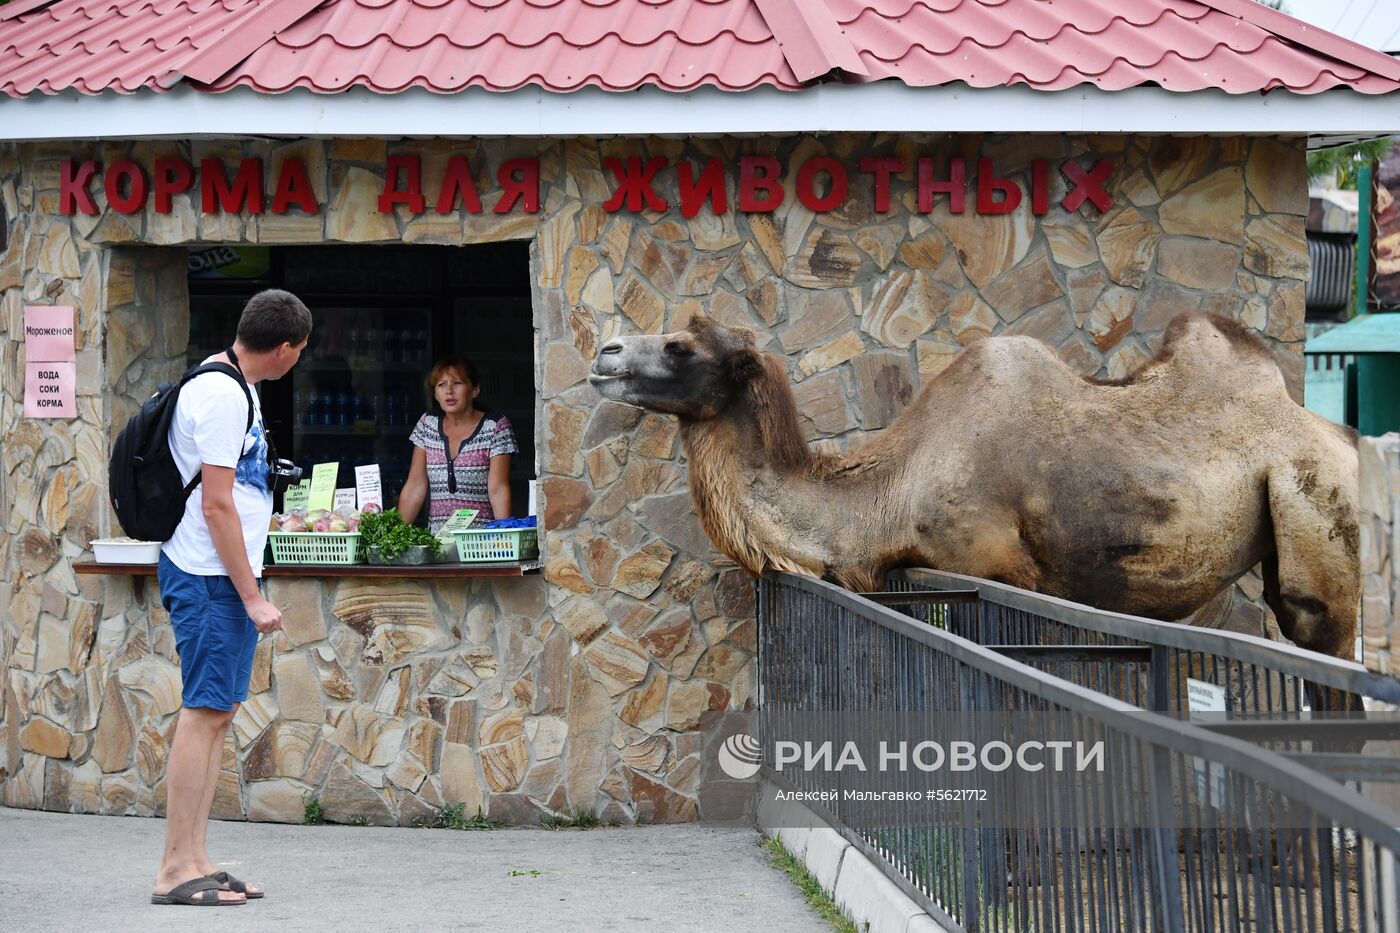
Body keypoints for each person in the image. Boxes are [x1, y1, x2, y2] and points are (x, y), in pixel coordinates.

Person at [152, 289, 311, 906]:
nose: (297, 360)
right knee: (203, 713)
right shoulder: (221, 394)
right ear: (284, 348)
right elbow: (216, 503)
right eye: (299, 351)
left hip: (218, 576)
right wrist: (251, 596)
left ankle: (194, 857)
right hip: (210, 579)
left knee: (217, 714)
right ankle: (172, 870)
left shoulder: (233, 385)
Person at [398, 357, 517, 533]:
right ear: (435, 394)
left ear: (475, 390)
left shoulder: (495, 426)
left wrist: (504, 537)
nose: (449, 391)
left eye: (457, 383)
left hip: (480, 543)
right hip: (438, 546)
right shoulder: (427, 424)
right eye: (441, 385)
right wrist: (394, 538)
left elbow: (498, 489)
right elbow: (415, 486)